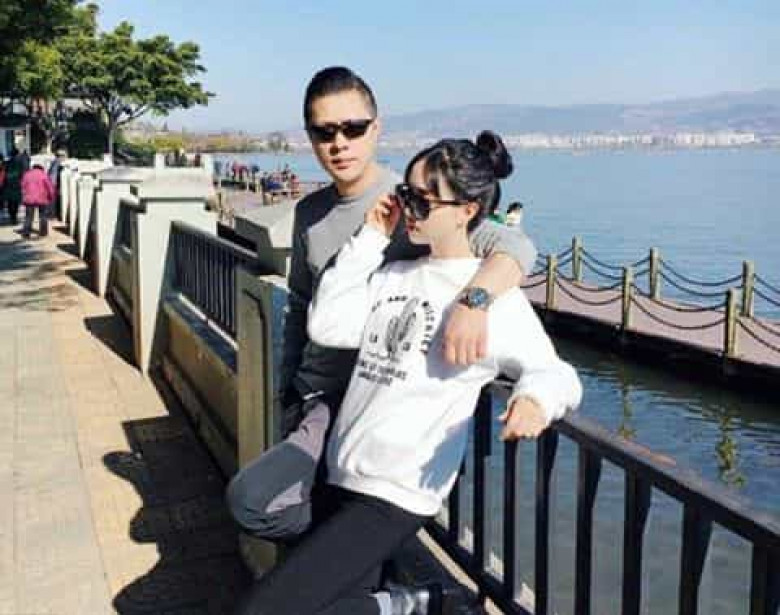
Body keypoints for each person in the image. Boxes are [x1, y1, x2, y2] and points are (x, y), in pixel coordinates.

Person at [233, 131, 582, 615]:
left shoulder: (492, 302)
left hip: (397, 490)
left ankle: (412, 603)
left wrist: (535, 400)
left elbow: (554, 372)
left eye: (423, 200)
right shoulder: (393, 274)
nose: (409, 210)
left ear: (466, 210)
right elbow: (328, 325)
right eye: (405, 195)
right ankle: (417, 603)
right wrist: (371, 236)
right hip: (343, 467)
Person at [226, 67, 538, 563]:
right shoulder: (310, 212)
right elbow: (302, 305)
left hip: (381, 405)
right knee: (292, 521)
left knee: (288, 521)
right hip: (318, 400)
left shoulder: (413, 201)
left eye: (353, 128)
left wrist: (473, 302)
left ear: (376, 128)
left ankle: (386, 590)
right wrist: (288, 390)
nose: (339, 143)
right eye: (324, 132)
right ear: (310, 137)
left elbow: (515, 247)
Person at [20, 164, 55, 238]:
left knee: (28, 216)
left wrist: (24, 195)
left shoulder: (27, 174)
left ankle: (26, 232)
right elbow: (49, 187)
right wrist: (51, 197)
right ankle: (43, 232)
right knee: (43, 216)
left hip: (29, 198)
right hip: (42, 198)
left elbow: (22, 185)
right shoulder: (44, 175)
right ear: (41, 168)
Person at [4, 149, 24, 225]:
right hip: (16, 185)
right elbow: (22, 174)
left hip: (8, 185)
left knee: (10, 202)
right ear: (17, 154)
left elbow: (4, 174)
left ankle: (12, 217)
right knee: (15, 203)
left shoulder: (7, 163)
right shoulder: (20, 163)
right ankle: (14, 217)